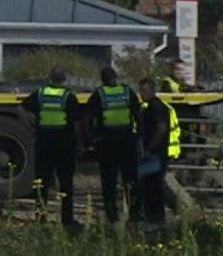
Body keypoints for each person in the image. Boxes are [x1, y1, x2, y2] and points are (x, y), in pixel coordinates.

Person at [20, 67, 81, 226]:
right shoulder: (69, 96)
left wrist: (30, 127)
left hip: (44, 142)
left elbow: (21, 109)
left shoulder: (40, 94)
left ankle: (41, 218)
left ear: (50, 78)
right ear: (64, 79)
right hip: (65, 143)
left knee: (42, 183)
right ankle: (67, 220)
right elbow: (76, 123)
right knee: (66, 183)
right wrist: (79, 143)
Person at [86, 65, 142, 223]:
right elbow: (138, 116)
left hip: (107, 144)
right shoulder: (127, 92)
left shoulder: (99, 94)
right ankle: (135, 214)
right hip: (127, 142)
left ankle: (112, 216)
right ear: (116, 77)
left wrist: (91, 140)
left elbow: (86, 120)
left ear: (102, 79)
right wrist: (137, 136)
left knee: (109, 182)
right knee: (130, 180)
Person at [137, 78, 171, 224]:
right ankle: (151, 216)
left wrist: (151, 149)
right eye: (140, 91)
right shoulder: (149, 107)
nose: (141, 94)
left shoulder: (157, 107)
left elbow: (161, 130)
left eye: (144, 91)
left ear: (151, 90)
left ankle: (156, 217)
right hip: (150, 153)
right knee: (148, 186)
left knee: (154, 186)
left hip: (156, 154)